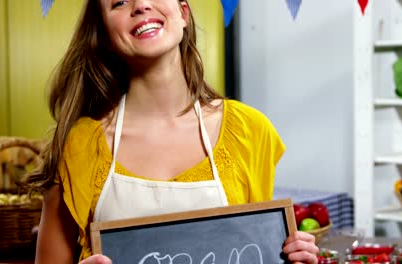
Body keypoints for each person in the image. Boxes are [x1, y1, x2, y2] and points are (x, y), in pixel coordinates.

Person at [24, 0, 319, 263]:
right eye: (119, 2)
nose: (140, 5)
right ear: (105, 36)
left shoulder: (249, 131)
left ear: (183, 12)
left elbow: (261, 250)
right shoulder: (80, 145)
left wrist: (292, 257)